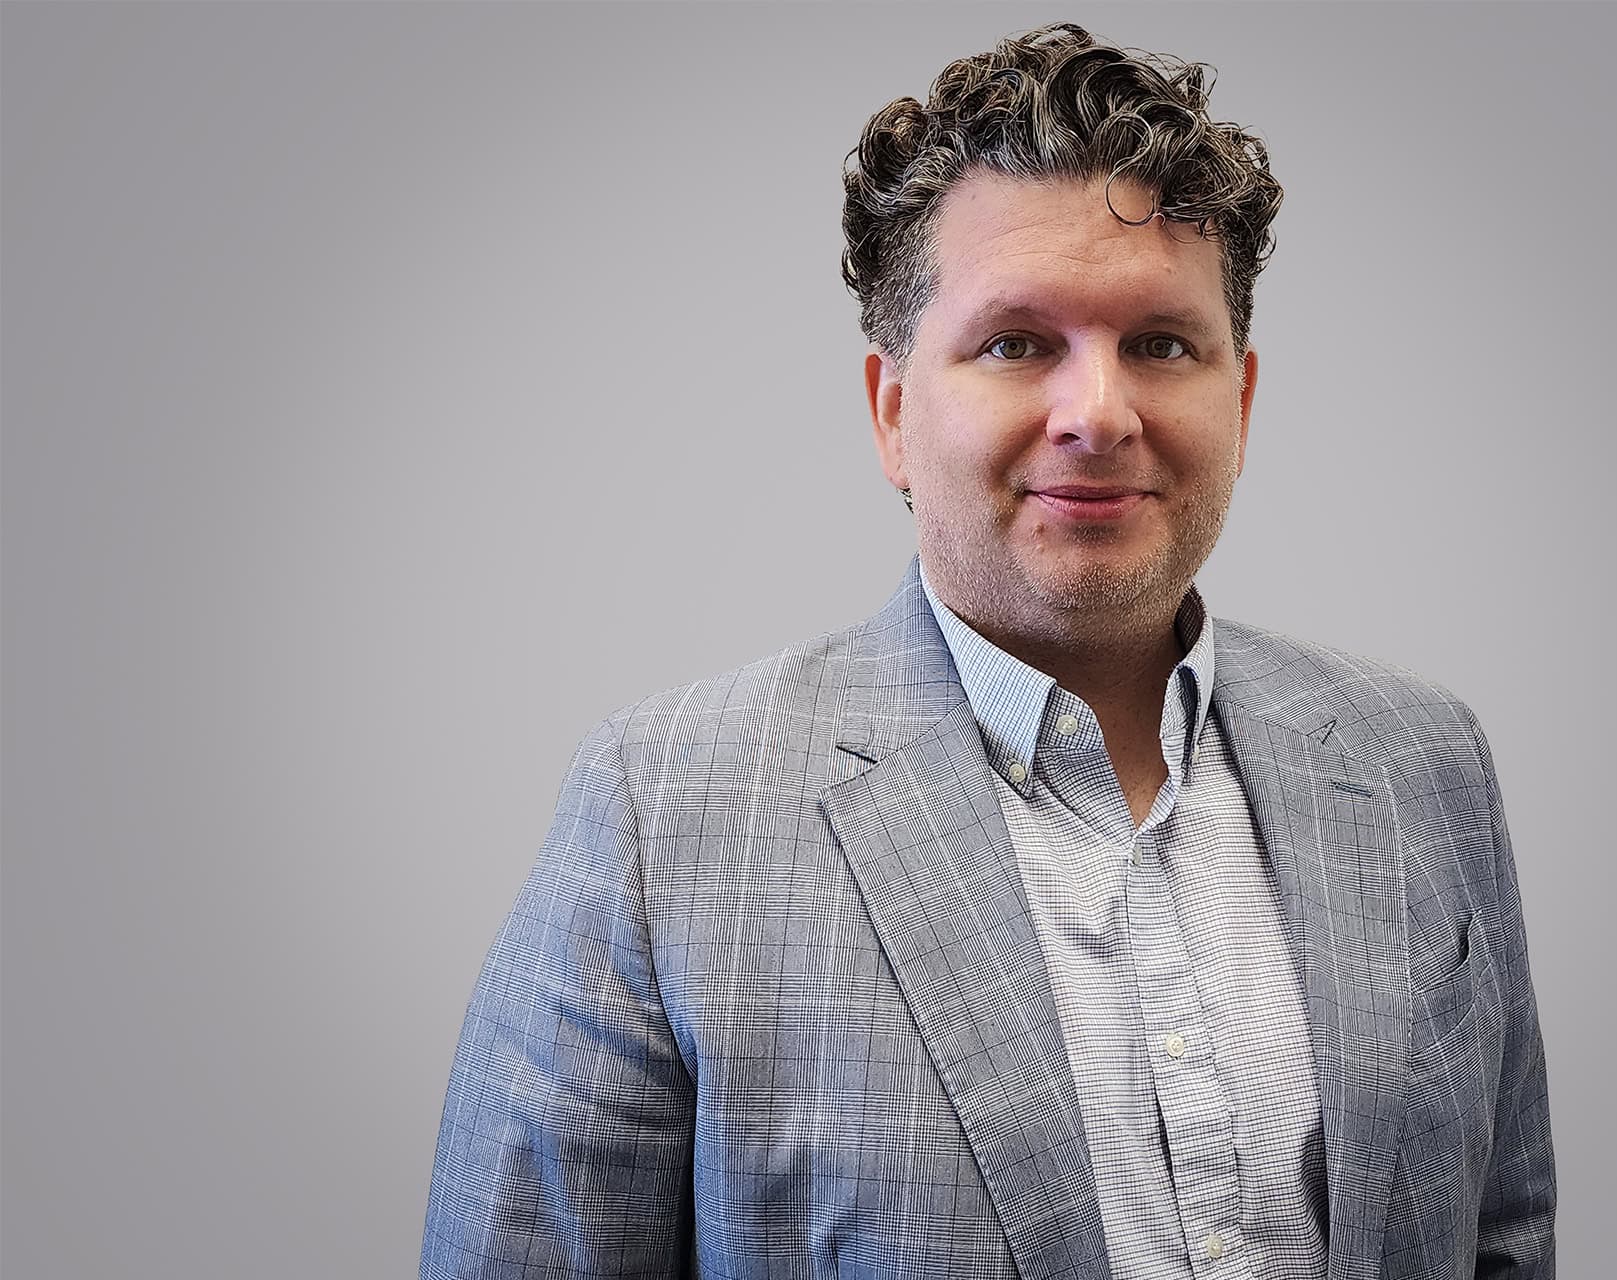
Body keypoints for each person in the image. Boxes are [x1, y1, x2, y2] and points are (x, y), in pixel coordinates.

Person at [420, 22, 1555, 1280]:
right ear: (894, 413)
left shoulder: (1421, 761)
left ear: (1239, 402)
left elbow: (1502, 1238)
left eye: (1162, 345)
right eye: (1018, 343)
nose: (1099, 413)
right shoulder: (665, 810)